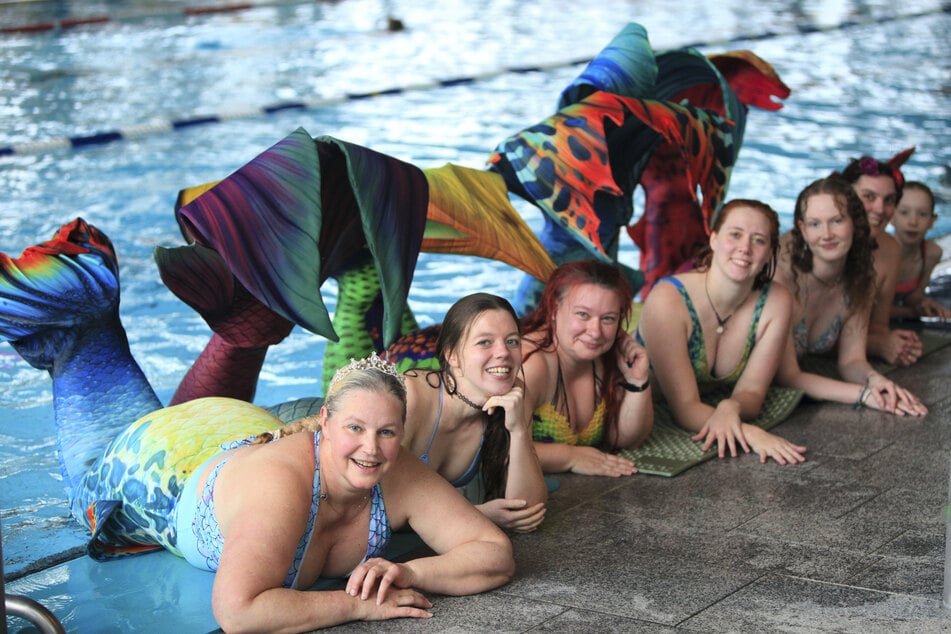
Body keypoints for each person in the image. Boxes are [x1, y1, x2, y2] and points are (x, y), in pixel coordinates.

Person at [0, 219, 515, 632]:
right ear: (324, 424)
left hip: (240, 427)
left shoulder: (393, 467)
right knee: (85, 406)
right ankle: (82, 290)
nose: (372, 448)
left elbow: (493, 555)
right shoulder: (284, 484)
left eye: (387, 432)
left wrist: (409, 571)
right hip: (158, 464)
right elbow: (239, 611)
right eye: (356, 429)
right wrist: (358, 607)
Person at [264, 293, 549, 533]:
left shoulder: (512, 398)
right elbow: (368, 504)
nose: (503, 353)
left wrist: (519, 430)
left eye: (511, 341)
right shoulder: (413, 398)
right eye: (485, 342)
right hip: (296, 426)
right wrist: (476, 514)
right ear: (451, 355)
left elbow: (528, 512)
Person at [636, 199, 808, 464]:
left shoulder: (775, 302)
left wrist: (731, 405)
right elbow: (684, 409)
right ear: (714, 239)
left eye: (759, 240)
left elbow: (752, 392)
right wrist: (752, 434)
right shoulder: (669, 300)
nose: (745, 248)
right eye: (735, 234)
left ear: (771, 253)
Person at [772, 177, 928, 416]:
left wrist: (878, 382)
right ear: (802, 230)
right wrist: (863, 396)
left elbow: (851, 362)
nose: (826, 234)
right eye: (815, 224)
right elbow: (789, 377)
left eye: (836, 221)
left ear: (855, 222)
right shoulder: (783, 280)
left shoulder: (859, 279)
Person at [520, 260, 654, 476]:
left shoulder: (608, 356)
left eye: (608, 319)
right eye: (583, 314)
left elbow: (626, 439)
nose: (595, 332)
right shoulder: (531, 364)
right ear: (553, 309)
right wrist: (570, 456)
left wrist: (638, 380)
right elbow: (498, 450)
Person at [835, 150, 923, 366]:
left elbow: (877, 326)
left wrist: (892, 342)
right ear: (845, 197)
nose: (880, 209)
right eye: (869, 197)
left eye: (889, 200)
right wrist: (877, 346)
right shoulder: (818, 246)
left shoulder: (889, 250)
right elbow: (802, 339)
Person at [889, 181, 951, 320]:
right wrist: (913, 313)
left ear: (932, 221)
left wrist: (924, 304)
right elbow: (869, 310)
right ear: (891, 216)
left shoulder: (931, 253)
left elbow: (914, 296)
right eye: (904, 213)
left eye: (922, 214)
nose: (913, 222)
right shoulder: (878, 254)